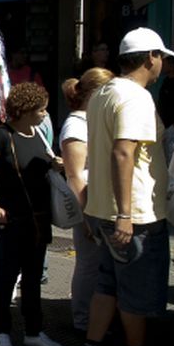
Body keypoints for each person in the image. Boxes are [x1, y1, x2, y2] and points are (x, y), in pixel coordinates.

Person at [72, 28, 174, 346]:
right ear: (150, 57)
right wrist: (125, 214)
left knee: (109, 284)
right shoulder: (135, 97)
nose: (163, 63)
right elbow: (123, 152)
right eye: (161, 57)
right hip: (133, 215)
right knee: (135, 293)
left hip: (106, 209)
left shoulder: (104, 92)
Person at [0, 82, 64, 346]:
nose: (45, 114)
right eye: (41, 109)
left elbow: (43, 166)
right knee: (7, 276)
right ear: (24, 110)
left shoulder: (39, 134)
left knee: (34, 278)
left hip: (39, 218)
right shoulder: (1, 136)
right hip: (11, 219)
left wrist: (55, 163)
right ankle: (1, 329)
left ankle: (34, 331)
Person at [59, 67, 116, 331]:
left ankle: (93, 316)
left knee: (99, 264)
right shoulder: (76, 126)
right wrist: (87, 214)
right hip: (89, 206)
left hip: (101, 204)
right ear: (95, 94)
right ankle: (82, 319)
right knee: (89, 264)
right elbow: (75, 175)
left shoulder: (94, 121)